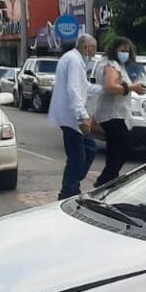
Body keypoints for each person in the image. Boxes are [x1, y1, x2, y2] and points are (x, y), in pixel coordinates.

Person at [48, 32, 98, 199]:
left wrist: (104, 90)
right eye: (93, 50)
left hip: (70, 116)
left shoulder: (72, 59)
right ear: (86, 48)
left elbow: (85, 87)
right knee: (77, 156)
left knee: (89, 149)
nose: (94, 54)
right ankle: (68, 190)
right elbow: (73, 90)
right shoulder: (75, 61)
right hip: (71, 117)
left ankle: (73, 183)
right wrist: (82, 116)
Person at [92, 36, 146, 187]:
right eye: (122, 50)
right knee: (124, 147)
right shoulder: (110, 65)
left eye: (127, 51)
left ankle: (109, 179)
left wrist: (132, 87)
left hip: (117, 113)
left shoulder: (117, 65)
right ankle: (105, 180)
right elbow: (110, 87)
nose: (125, 53)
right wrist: (131, 88)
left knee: (116, 150)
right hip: (112, 115)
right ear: (114, 50)